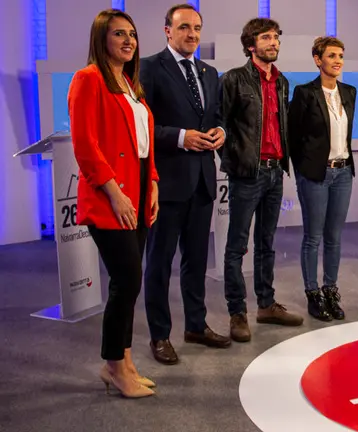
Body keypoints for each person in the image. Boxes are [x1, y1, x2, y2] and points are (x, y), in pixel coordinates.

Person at [69, 9, 159, 397]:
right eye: (119, 34)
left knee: (130, 281)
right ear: (101, 38)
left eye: (133, 35)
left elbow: (143, 146)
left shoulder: (129, 84)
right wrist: (116, 192)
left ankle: (124, 360)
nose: (128, 41)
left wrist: (152, 182)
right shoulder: (88, 79)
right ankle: (113, 364)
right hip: (111, 195)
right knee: (126, 280)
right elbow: (85, 146)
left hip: (137, 191)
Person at [139, 4, 230, 366]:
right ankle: (159, 335)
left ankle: (195, 325)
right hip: (167, 183)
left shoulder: (209, 72)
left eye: (197, 28)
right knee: (159, 263)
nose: (192, 34)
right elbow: (142, 125)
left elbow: (217, 115)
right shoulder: (149, 68)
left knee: (195, 261)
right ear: (167, 31)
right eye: (184, 28)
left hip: (203, 182)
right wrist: (180, 137)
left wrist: (220, 131)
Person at [219, 17, 304, 342]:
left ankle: (266, 305)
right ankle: (237, 312)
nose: (273, 43)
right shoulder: (234, 79)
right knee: (236, 247)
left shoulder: (281, 82)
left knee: (267, 244)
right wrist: (236, 159)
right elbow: (221, 125)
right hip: (246, 174)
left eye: (276, 38)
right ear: (251, 44)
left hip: (274, 172)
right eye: (266, 38)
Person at [288, 37, 356, 322]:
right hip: (316, 174)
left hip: (343, 173)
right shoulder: (304, 93)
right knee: (313, 237)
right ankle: (313, 294)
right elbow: (294, 136)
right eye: (331, 56)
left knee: (334, 238)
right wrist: (304, 170)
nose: (337, 60)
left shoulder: (350, 92)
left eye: (340, 55)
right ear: (318, 60)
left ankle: (330, 290)